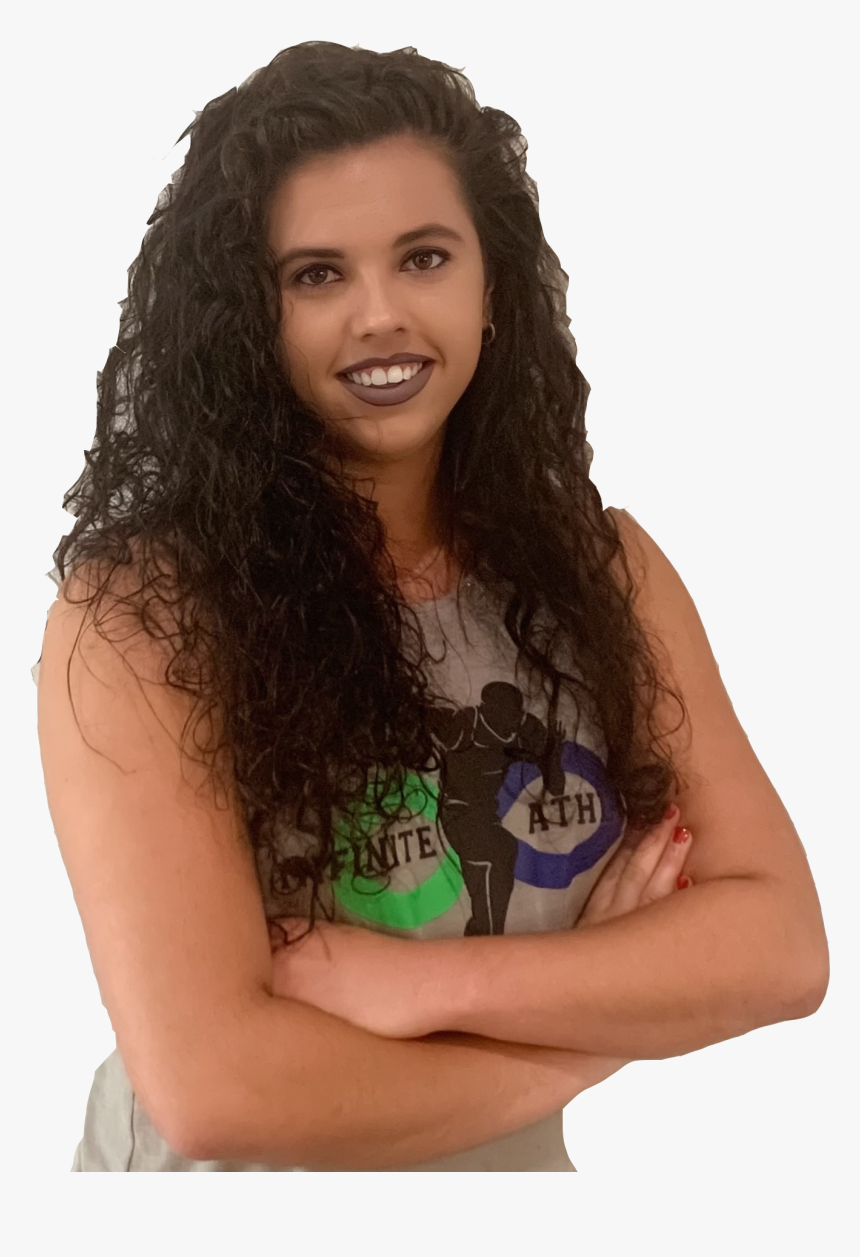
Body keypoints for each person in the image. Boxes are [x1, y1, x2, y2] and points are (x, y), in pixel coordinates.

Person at [33, 41, 829, 1172]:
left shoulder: (603, 571)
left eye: (423, 258)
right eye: (316, 275)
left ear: (489, 286)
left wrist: (426, 984)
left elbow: (781, 947)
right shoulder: (143, 620)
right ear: (244, 317)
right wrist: (603, 1030)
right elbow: (217, 1089)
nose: (379, 315)